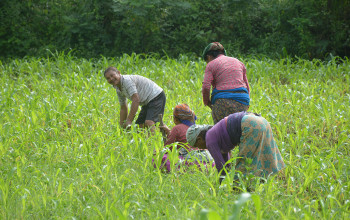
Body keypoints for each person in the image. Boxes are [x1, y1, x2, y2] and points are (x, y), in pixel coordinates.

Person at [186, 111, 285, 183]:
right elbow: (226, 166)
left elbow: (220, 166)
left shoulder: (209, 139)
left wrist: (221, 187)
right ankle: (275, 178)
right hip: (261, 121)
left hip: (250, 124)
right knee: (265, 152)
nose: (200, 148)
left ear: (199, 139)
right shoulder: (215, 134)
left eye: (197, 146)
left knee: (244, 164)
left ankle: (243, 189)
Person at [104, 66, 166, 133]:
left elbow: (136, 99)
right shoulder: (117, 88)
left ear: (118, 73)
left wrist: (129, 120)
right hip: (146, 101)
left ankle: (154, 142)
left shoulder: (126, 81)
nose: (111, 79)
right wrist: (122, 127)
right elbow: (123, 108)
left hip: (156, 96)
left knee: (149, 122)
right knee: (139, 126)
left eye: (112, 75)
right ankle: (147, 141)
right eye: (108, 78)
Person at [202, 42, 251, 124]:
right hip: (242, 101)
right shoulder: (238, 62)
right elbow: (247, 86)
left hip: (222, 102)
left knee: (221, 132)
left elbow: (206, 87)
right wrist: (247, 101)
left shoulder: (211, 64)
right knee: (238, 130)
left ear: (209, 57)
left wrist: (208, 103)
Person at [155, 104, 213, 172]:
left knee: (159, 157)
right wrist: (169, 132)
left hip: (190, 159)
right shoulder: (195, 128)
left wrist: (157, 152)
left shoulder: (177, 128)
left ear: (175, 119)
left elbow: (167, 148)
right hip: (206, 157)